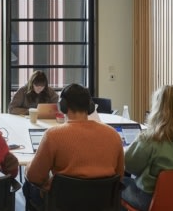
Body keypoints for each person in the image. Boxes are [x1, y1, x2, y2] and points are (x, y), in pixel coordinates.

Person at [23, 83, 124, 211]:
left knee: (28, 186)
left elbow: (35, 177)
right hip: (102, 204)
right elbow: (120, 175)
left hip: (62, 204)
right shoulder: (113, 135)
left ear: (63, 106)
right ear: (90, 106)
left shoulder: (53, 135)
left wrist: (29, 166)